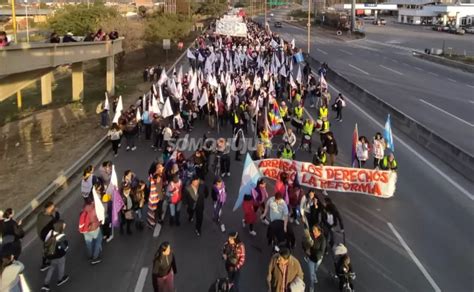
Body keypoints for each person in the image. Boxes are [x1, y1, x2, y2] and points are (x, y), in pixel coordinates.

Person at [41, 220, 69, 291]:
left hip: (51, 255)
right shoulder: (61, 236)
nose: (64, 227)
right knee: (61, 265)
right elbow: (65, 247)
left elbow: (46, 242)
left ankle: (46, 284)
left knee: (52, 267)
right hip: (59, 255)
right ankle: (60, 279)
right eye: (63, 226)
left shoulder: (51, 232)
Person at [36, 201, 60, 271]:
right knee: (50, 247)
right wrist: (57, 212)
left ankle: (44, 262)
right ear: (48, 208)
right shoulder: (49, 219)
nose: (54, 208)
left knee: (46, 247)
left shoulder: (40, 214)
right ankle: (48, 261)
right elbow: (56, 221)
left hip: (41, 235)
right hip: (47, 236)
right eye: (52, 208)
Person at [302, 225, 326, 291]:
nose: (313, 231)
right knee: (311, 275)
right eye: (313, 230)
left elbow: (322, 251)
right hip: (311, 259)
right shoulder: (311, 236)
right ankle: (312, 286)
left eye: (315, 230)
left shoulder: (322, 239)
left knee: (315, 269)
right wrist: (306, 250)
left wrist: (311, 253)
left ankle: (314, 274)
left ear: (319, 231)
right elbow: (304, 243)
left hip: (318, 259)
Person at [80, 197, 102, 265]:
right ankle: (95, 258)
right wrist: (100, 222)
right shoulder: (94, 209)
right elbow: (98, 219)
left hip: (85, 230)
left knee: (88, 243)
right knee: (98, 240)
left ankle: (90, 255)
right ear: (92, 201)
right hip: (94, 228)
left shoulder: (83, 208)